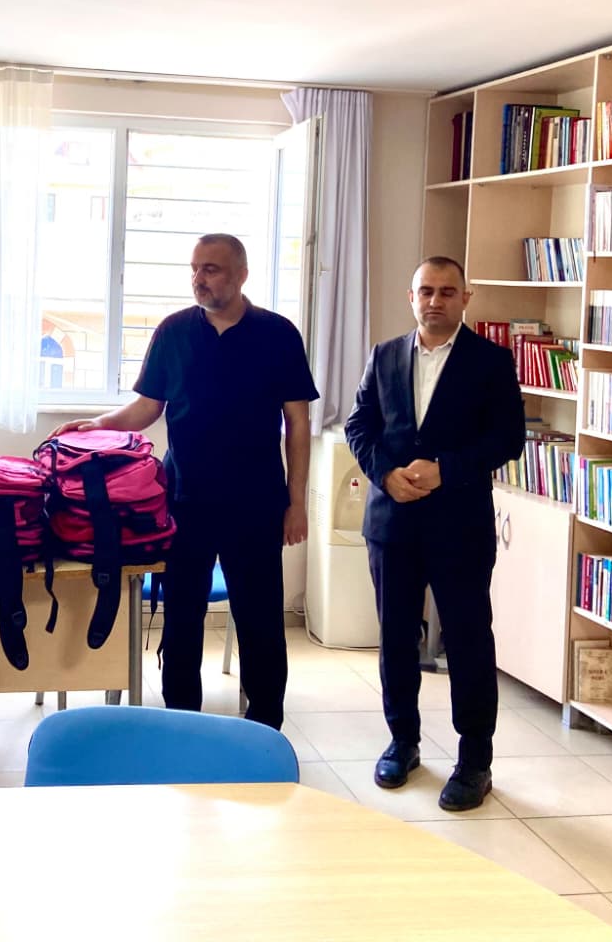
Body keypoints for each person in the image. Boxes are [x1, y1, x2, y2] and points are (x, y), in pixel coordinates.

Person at [54, 233, 316, 730]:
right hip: (183, 499)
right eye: (194, 269)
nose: (199, 279)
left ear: (241, 275)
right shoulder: (174, 331)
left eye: (211, 269)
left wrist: (296, 502)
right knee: (181, 617)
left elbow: (297, 422)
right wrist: (98, 425)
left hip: (256, 501)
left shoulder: (278, 334)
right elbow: (148, 407)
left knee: (260, 618)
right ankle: (182, 722)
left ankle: (265, 726)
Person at [344, 256, 524, 811]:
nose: (435, 301)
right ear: (411, 297)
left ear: (466, 298)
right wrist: (385, 474)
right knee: (396, 638)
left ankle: (475, 761)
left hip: (459, 524)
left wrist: (446, 469)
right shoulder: (384, 355)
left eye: (448, 292)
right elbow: (359, 425)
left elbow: (508, 439)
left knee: (468, 641)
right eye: (426, 291)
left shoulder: (491, 361)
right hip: (391, 522)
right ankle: (403, 742)